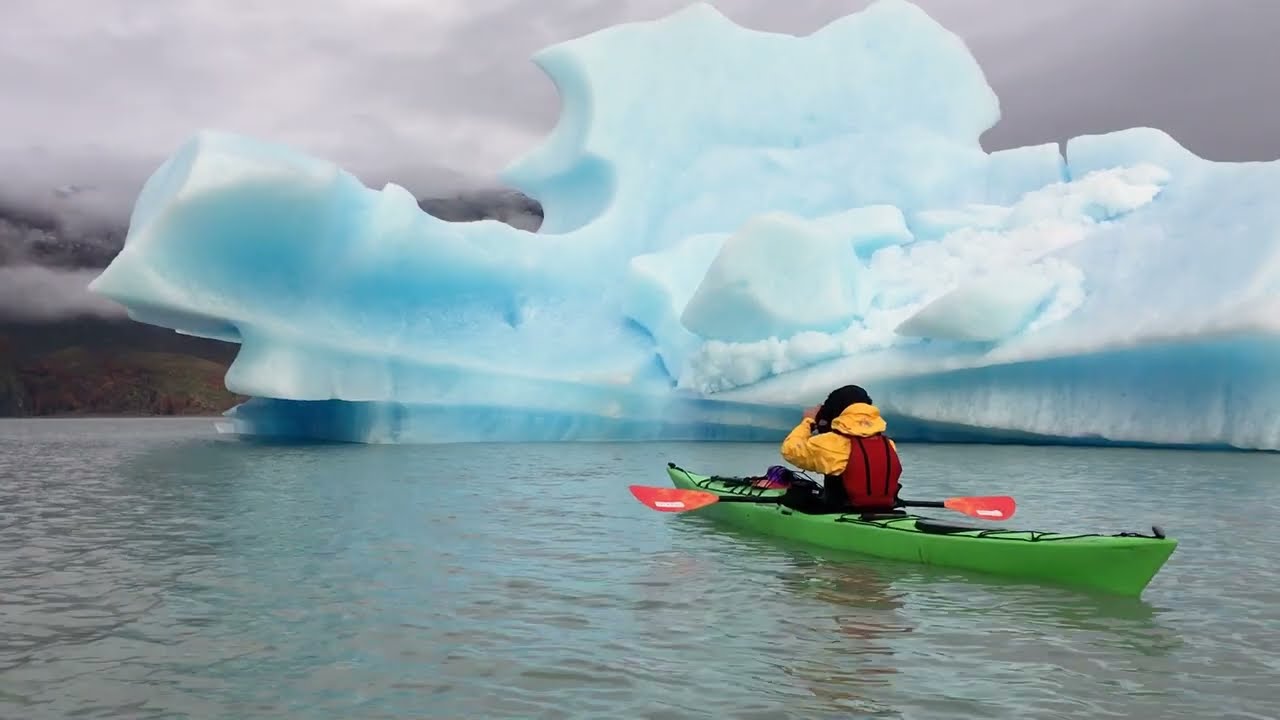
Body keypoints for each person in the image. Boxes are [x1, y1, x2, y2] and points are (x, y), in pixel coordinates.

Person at [778, 384, 902, 514]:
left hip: (839, 510)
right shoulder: (888, 444)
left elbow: (790, 450)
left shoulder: (830, 443)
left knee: (794, 495)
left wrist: (808, 421)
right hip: (885, 509)